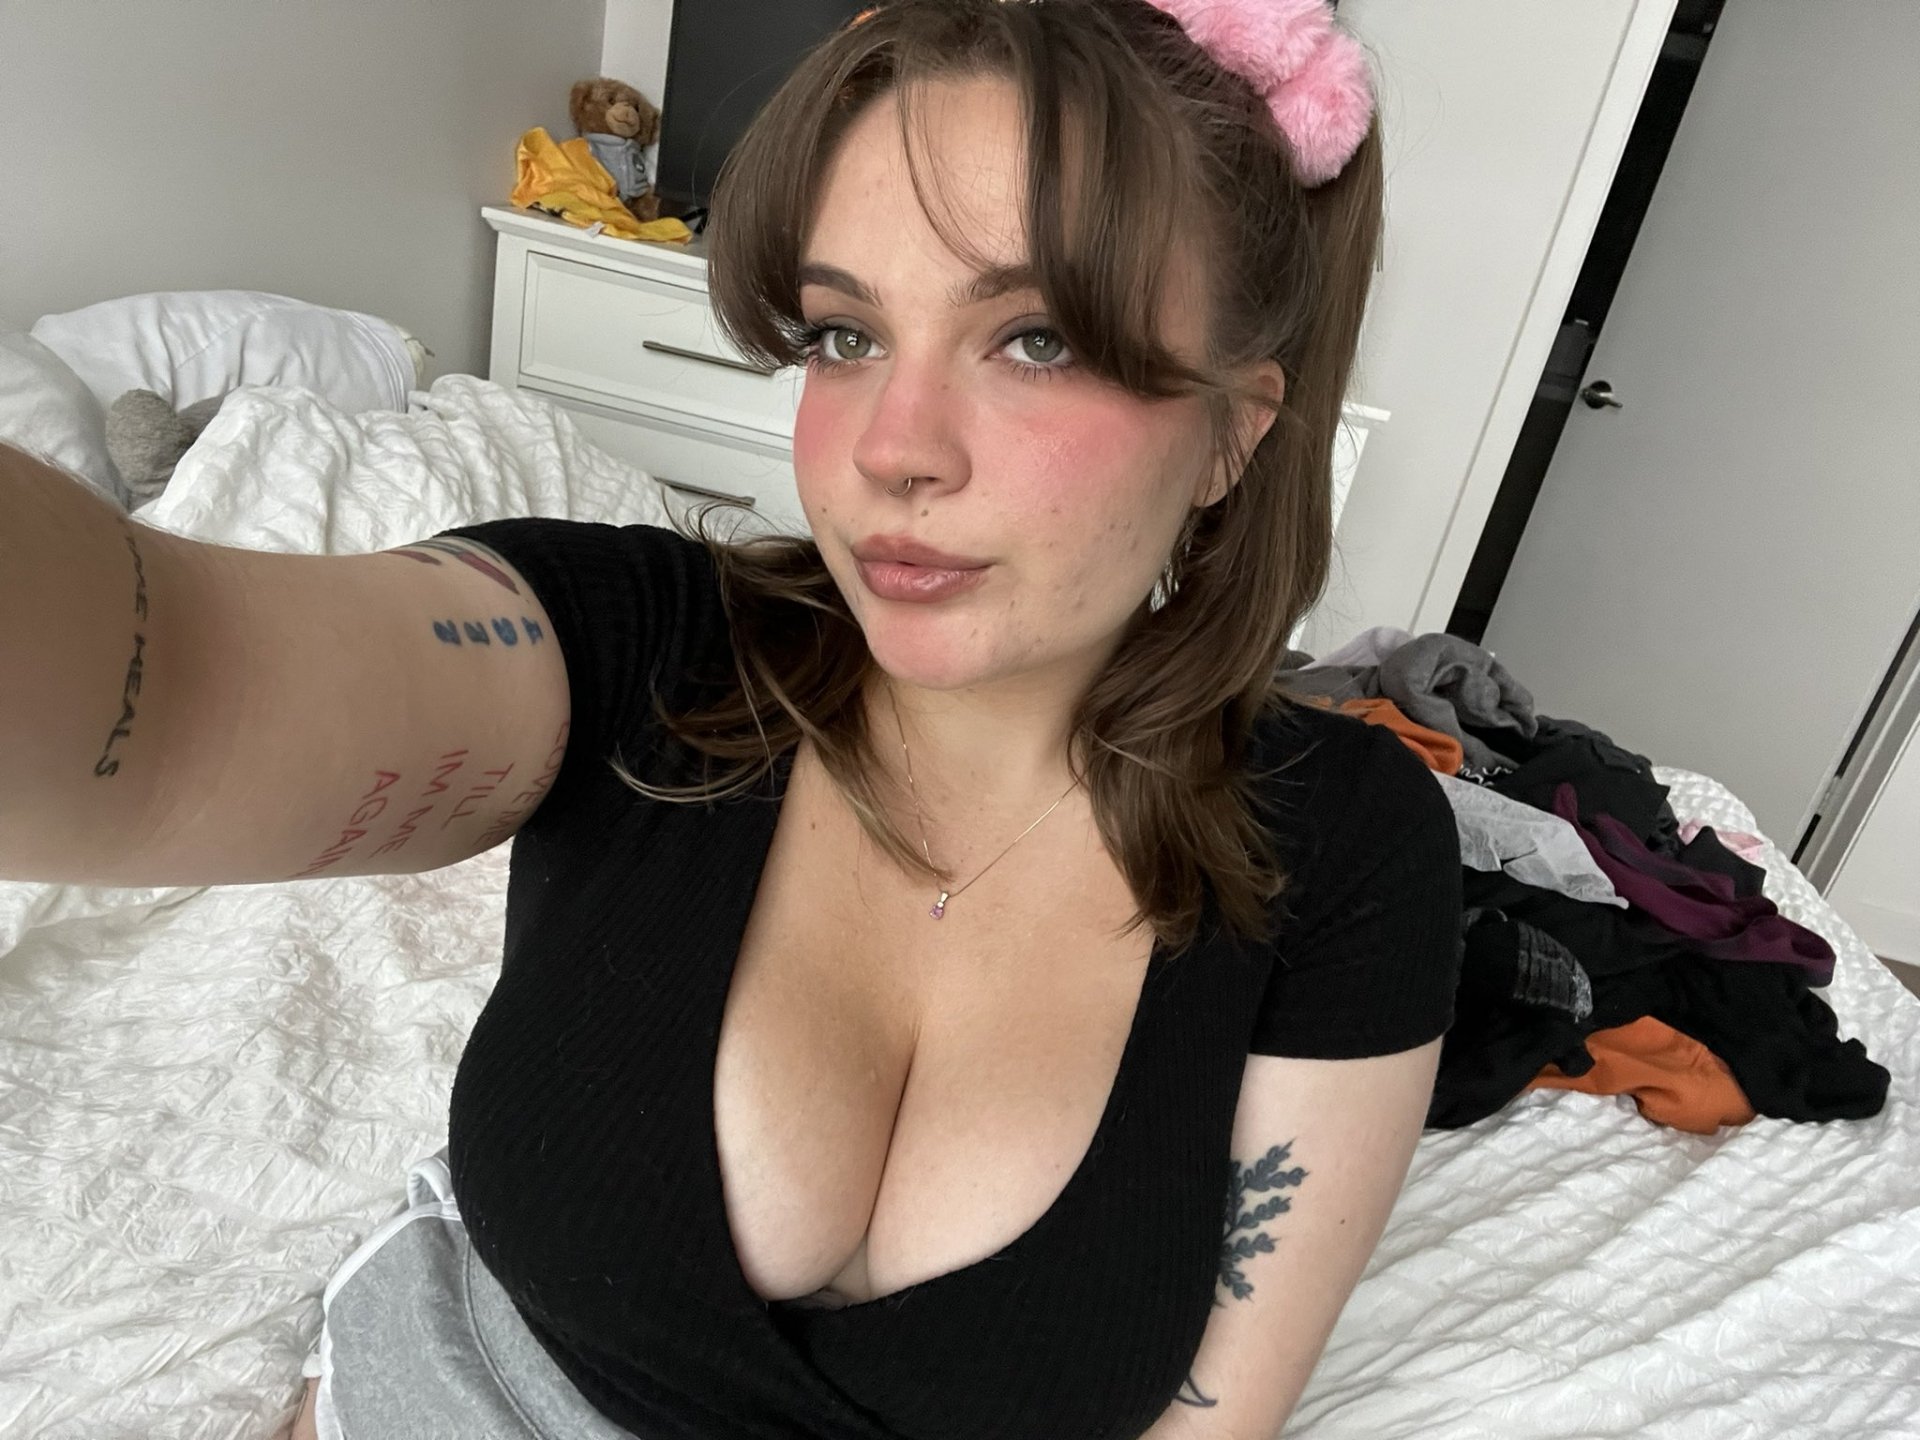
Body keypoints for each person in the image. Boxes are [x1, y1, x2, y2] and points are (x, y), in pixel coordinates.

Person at [0, 2, 1462, 1437]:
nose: (891, 449)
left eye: (1035, 340)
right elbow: (177, 694)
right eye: (844, 336)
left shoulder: (1346, 843)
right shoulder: (642, 653)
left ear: (1232, 432)